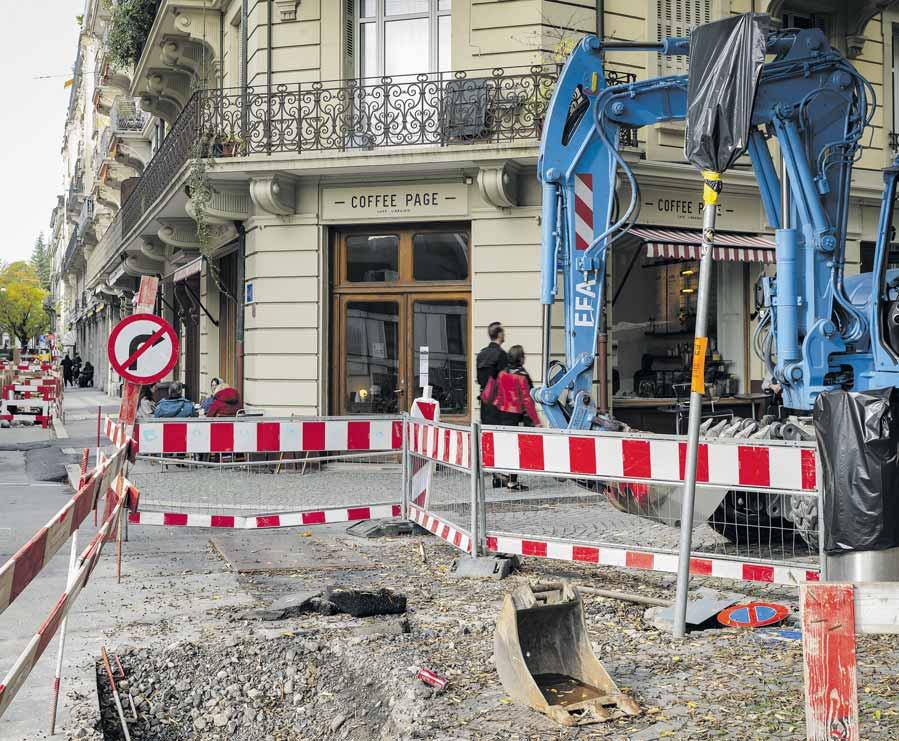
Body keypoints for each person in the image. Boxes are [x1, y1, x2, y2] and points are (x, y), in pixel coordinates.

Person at [491, 345, 541, 490]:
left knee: (504, 447)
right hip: (515, 417)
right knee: (515, 449)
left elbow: (497, 394)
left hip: (501, 414)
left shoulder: (502, 373)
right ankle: (512, 482)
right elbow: (527, 401)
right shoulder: (522, 376)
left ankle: (499, 477)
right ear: (520, 358)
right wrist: (536, 421)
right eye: (523, 355)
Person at [476, 322, 508, 488]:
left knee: (488, 437)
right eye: (503, 332)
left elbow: (479, 379)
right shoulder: (501, 355)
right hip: (498, 402)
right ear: (499, 334)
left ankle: (492, 472)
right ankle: (500, 474)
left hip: (485, 401)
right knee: (500, 437)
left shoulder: (481, 354)